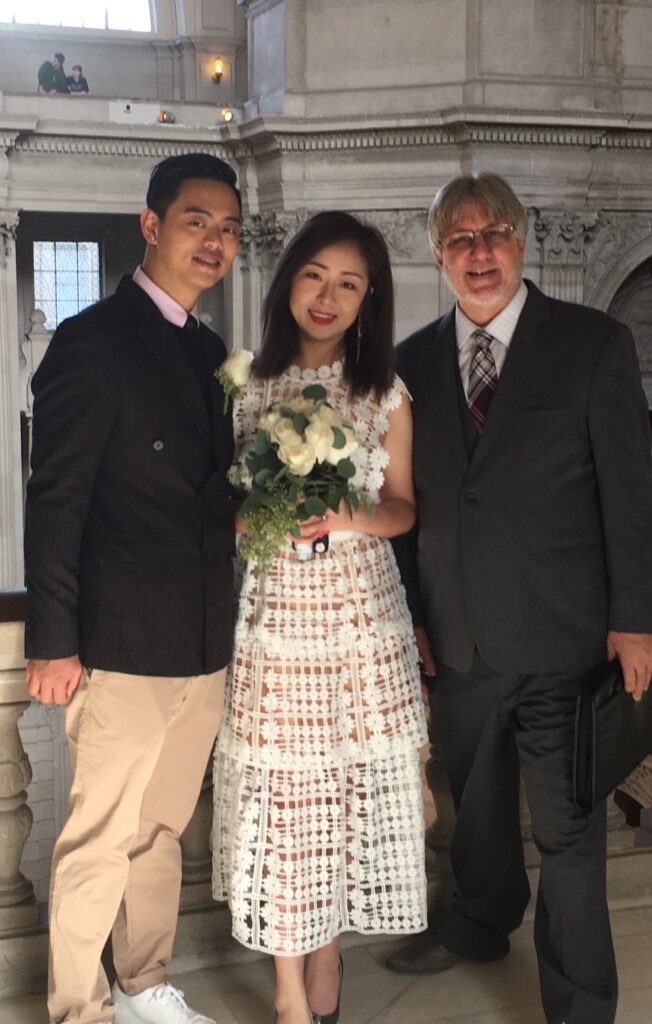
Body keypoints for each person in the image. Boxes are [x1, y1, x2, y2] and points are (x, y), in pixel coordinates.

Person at [386, 173, 652, 1024]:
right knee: (474, 814)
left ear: (523, 241)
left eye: (497, 232)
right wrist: (413, 623)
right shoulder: (408, 365)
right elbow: (407, 511)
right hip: (459, 641)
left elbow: (630, 492)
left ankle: (582, 1007)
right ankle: (478, 923)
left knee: (569, 831)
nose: (481, 251)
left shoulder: (593, 343)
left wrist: (637, 619)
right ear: (439, 254)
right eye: (462, 238)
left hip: (568, 643)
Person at [24, 153, 243, 1024]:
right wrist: (53, 636)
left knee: (160, 836)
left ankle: (146, 983)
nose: (215, 241)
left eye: (227, 227)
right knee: (99, 841)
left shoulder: (215, 351)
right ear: (151, 226)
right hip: (117, 642)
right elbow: (56, 496)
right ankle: (79, 1010)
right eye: (198, 221)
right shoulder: (92, 340)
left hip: (199, 640)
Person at [212, 211, 428, 1024]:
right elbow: (223, 508)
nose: (329, 296)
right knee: (284, 800)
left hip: (361, 619)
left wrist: (348, 514)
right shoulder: (247, 385)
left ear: (369, 297)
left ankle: (329, 955)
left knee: (346, 796)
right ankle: (289, 995)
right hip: (276, 619)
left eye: (350, 283)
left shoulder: (385, 392)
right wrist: (254, 516)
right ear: (288, 281)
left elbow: (404, 507)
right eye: (315, 276)